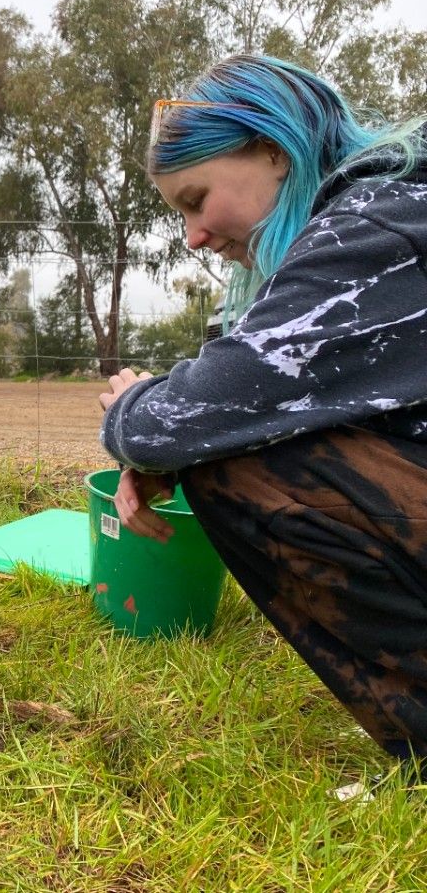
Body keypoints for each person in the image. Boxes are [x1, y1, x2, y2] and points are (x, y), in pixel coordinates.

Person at [99, 55, 427, 773]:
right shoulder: (378, 209)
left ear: (274, 151)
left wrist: (132, 412)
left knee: (237, 463)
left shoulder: (373, 225)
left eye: (196, 198)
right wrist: (170, 444)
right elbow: (234, 396)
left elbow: (175, 420)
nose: (193, 236)